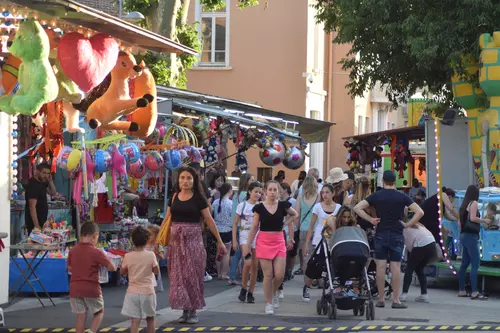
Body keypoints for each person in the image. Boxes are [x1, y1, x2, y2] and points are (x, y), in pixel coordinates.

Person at [162, 166, 227, 324]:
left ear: (194, 180)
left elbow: (209, 220)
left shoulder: (199, 198)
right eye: (182, 178)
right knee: (179, 277)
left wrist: (219, 241)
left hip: (193, 242)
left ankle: (193, 310)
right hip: (176, 243)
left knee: (192, 275)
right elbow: (167, 219)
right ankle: (185, 309)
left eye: (189, 178)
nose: (185, 181)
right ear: (178, 180)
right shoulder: (174, 196)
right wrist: (159, 240)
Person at [353, 170, 424, 309]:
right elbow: (420, 212)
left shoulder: (376, 196)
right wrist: (408, 224)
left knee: (380, 266)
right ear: (395, 181)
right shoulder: (402, 196)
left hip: (381, 233)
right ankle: (396, 300)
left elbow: (357, 208)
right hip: (397, 233)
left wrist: (371, 219)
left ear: (383, 181)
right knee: (395, 266)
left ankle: (381, 299)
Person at [245, 180, 297, 315]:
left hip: (279, 240)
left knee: (279, 275)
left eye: (275, 190)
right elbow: (254, 227)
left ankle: (273, 292)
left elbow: (295, 214)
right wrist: (247, 245)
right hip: (263, 241)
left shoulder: (283, 205)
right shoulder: (259, 208)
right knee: (268, 274)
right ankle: (268, 303)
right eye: (270, 189)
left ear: (278, 192)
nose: (272, 192)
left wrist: (285, 224)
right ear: (265, 191)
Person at [68, 222, 116, 333]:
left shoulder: (72, 250)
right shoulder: (97, 252)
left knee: (80, 315)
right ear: (95, 235)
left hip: (75, 288)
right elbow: (112, 268)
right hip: (91, 288)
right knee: (99, 312)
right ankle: (92, 331)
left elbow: (70, 269)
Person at [302, 184, 340, 302]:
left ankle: (331, 287)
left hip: (333, 240)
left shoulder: (338, 207)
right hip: (319, 240)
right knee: (316, 265)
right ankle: (307, 286)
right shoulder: (318, 207)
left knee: (332, 264)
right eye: (323, 192)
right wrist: (307, 243)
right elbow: (311, 226)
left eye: (327, 192)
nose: (325, 195)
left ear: (333, 193)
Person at [121, 226, 159, 333]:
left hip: (132, 292)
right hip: (148, 291)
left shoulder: (128, 256)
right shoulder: (151, 255)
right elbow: (156, 271)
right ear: (147, 240)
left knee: (134, 320)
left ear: (133, 241)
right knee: (150, 319)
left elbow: (122, 272)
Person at [458, 185, 491, 300]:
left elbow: (459, 222)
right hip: (471, 236)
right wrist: (484, 220)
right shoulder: (474, 203)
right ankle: (474, 291)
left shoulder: (463, 204)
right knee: (475, 264)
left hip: (463, 235)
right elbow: (473, 218)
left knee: (464, 264)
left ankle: (462, 290)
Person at [233, 181, 263, 303]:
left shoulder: (262, 205)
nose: (258, 194)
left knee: (255, 265)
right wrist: (234, 240)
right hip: (244, 236)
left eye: (260, 192)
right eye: (256, 191)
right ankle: (243, 287)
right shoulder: (242, 205)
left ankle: (250, 292)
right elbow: (235, 223)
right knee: (248, 263)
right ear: (249, 191)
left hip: (257, 237)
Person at [400, 219, 436, 304]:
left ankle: (404, 294)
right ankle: (424, 295)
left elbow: (409, 247)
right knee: (419, 269)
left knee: (409, 268)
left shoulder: (404, 227)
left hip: (420, 245)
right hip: (432, 244)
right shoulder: (417, 224)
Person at [229, 173, 255, 286]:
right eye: (252, 180)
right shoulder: (247, 195)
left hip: (237, 224)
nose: (253, 182)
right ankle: (245, 277)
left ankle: (233, 276)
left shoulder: (236, 194)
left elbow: (234, 211)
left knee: (238, 253)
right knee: (245, 252)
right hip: (246, 225)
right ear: (247, 181)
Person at [420, 187, 460, 253]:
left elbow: (447, 215)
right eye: (452, 199)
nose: (451, 202)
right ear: (450, 196)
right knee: (438, 236)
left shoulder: (440, 201)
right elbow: (450, 208)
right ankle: (440, 254)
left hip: (429, 220)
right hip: (427, 219)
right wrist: (460, 218)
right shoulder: (443, 195)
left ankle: (440, 254)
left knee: (438, 236)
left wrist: (456, 219)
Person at [294, 176, 319, 276]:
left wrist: (298, 227)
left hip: (304, 229)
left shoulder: (300, 197)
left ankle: (308, 276)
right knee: (317, 253)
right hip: (316, 229)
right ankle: (317, 276)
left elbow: (297, 215)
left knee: (306, 254)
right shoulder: (319, 197)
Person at [277, 182, 297, 299]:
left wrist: (291, 238)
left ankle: (279, 287)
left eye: (277, 189)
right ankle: (272, 288)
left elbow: (290, 222)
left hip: (281, 236)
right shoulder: (264, 205)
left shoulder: (284, 205)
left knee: (280, 264)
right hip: (266, 237)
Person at [25, 163, 57, 234]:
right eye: (44, 173)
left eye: (48, 173)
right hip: (34, 223)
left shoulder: (42, 182)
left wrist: (50, 181)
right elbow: (32, 207)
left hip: (42, 220)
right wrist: (36, 225)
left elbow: (53, 193)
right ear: (37, 171)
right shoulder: (33, 184)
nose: (46, 175)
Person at [212, 183, 234, 280]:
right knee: (226, 252)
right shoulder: (231, 203)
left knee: (218, 251)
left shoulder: (216, 202)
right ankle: (224, 273)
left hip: (217, 230)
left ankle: (219, 273)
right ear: (229, 191)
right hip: (227, 230)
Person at [146, 224, 163, 292]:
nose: (148, 236)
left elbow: (161, 258)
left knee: (152, 287)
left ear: (156, 236)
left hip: (154, 268)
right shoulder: (143, 245)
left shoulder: (158, 246)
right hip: (144, 267)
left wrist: (157, 251)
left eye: (150, 235)